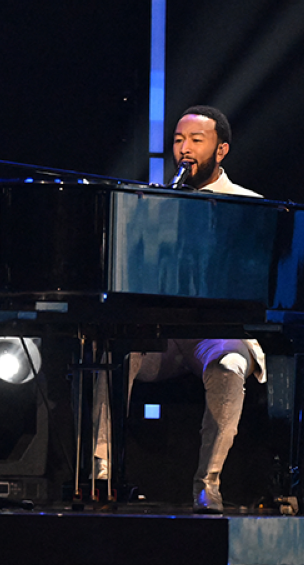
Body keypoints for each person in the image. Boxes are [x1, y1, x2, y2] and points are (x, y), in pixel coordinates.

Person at [93, 105, 267, 514]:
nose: (184, 150)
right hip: (161, 332)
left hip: (213, 330)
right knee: (109, 355)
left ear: (220, 150)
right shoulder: (153, 202)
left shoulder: (250, 206)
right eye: (178, 140)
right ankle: (100, 474)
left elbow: (255, 279)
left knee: (229, 365)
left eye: (195, 141)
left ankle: (208, 484)